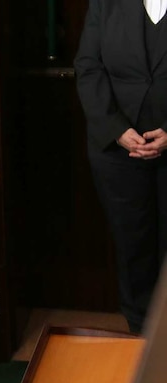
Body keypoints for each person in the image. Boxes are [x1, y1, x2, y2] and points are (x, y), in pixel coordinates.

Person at [75, 0, 167, 334]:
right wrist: (116, 130)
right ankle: (141, 341)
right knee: (133, 251)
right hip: (118, 153)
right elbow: (88, 66)